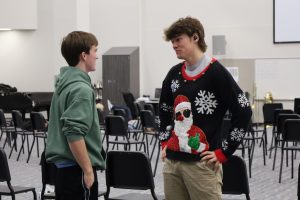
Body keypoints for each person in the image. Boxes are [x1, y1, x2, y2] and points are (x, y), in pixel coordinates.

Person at [159, 16, 252, 200]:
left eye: (178, 40)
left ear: (195, 37)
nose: (174, 45)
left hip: (201, 166)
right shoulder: (174, 74)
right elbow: (164, 109)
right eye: (172, 41)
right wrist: (164, 141)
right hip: (172, 164)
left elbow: (243, 110)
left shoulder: (216, 72)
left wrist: (225, 152)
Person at [45, 31, 105, 200]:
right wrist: (87, 170)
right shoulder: (81, 89)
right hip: (76, 168)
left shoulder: (64, 84)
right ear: (84, 55)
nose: (97, 56)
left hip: (64, 169)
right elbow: (73, 133)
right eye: (95, 50)